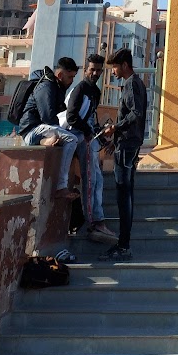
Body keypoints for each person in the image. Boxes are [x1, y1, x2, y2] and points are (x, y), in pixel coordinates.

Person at [65, 52, 116, 242]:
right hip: (79, 137)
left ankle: (98, 220)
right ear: (85, 70)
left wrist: (102, 139)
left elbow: (92, 119)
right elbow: (72, 118)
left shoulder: (95, 91)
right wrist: (87, 133)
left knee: (98, 181)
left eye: (99, 71)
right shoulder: (79, 90)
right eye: (92, 70)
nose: (95, 73)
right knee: (90, 181)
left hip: (89, 138)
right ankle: (93, 222)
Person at [105, 47, 147, 261]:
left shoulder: (131, 84)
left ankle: (123, 245)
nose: (113, 71)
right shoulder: (135, 83)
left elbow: (136, 113)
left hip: (127, 145)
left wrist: (115, 129)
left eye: (114, 67)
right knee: (126, 193)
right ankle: (124, 244)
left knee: (124, 194)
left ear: (124, 66)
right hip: (128, 143)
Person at [19, 56, 81, 195]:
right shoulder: (46, 87)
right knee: (71, 139)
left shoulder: (56, 87)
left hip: (41, 130)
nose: (71, 81)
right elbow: (48, 117)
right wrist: (61, 132)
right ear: (60, 75)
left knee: (74, 137)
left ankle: (45, 141)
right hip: (32, 131)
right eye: (70, 77)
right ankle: (61, 186)